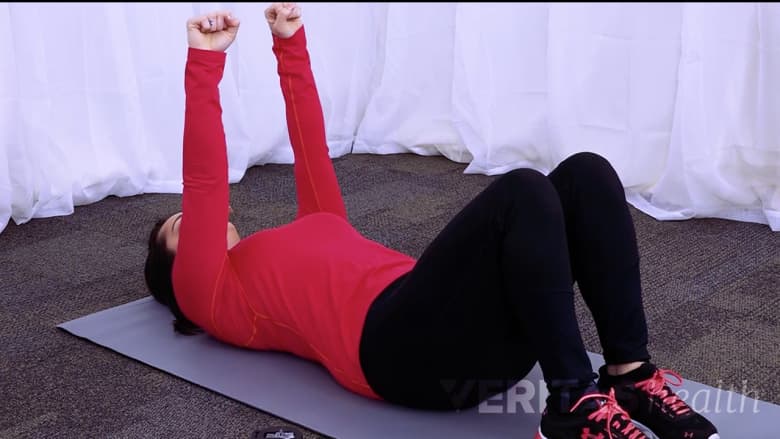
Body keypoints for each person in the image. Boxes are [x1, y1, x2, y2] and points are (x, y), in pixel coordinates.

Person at [144, 4, 719, 439]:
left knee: (587, 174)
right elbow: (205, 185)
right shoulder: (209, 296)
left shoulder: (311, 225)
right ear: (178, 271)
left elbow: (309, 142)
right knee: (522, 192)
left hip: (461, 331)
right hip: (398, 354)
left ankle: (629, 374)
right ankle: (571, 402)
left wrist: (289, 46)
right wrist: (205, 63)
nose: (194, 223)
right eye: (181, 228)